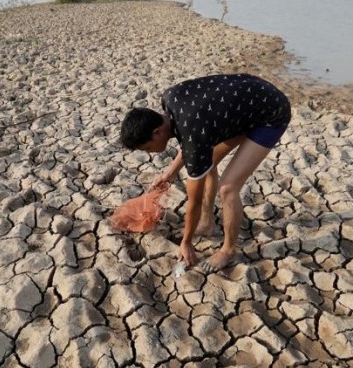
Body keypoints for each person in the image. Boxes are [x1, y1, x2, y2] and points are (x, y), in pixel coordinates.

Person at [120, 73, 291, 272]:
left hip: (270, 114)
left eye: (146, 148)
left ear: (157, 132)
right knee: (205, 159)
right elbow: (195, 142)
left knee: (228, 187)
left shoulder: (192, 135)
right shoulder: (169, 99)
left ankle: (228, 251)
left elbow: (194, 201)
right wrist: (169, 173)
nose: (148, 153)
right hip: (249, 99)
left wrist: (186, 241)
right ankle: (207, 223)